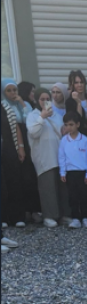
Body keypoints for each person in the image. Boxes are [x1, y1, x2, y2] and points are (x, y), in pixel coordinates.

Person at [26, 88, 67, 228]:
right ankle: (49, 216)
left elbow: (62, 132)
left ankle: (63, 215)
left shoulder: (56, 115)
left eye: (47, 99)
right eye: (42, 99)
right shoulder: (33, 115)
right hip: (44, 156)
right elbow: (33, 133)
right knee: (47, 187)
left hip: (59, 155)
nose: (45, 102)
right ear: (36, 100)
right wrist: (42, 117)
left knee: (61, 187)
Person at [58, 111, 87, 229]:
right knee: (72, 196)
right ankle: (75, 218)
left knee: (84, 196)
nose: (69, 127)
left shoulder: (84, 140)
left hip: (82, 172)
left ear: (78, 124)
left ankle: (85, 217)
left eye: (71, 124)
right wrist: (62, 171)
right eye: (66, 125)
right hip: (70, 173)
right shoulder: (64, 141)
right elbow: (61, 156)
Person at [1, 82, 29, 227]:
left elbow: (16, 127)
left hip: (10, 148)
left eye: (13, 90)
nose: (12, 92)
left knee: (15, 182)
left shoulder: (6, 108)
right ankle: (3, 219)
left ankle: (18, 217)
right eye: (8, 90)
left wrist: (21, 148)